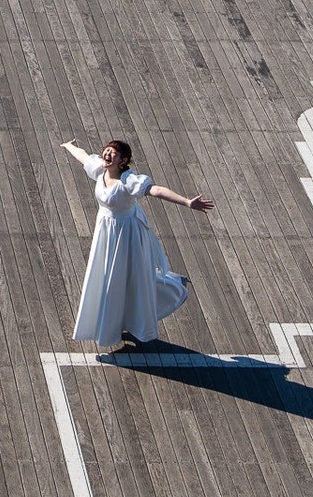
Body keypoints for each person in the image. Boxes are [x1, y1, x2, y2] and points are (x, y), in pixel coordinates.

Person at [61, 138, 214, 348]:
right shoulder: (100, 170)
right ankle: (114, 321)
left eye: (113, 153)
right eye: (106, 150)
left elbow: (156, 190)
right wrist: (68, 146)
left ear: (123, 160)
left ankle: (171, 287)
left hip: (127, 234)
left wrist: (187, 202)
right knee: (108, 277)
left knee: (131, 278)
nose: (107, 154)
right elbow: (84, 156)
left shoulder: (128, 180)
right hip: (106, 230)